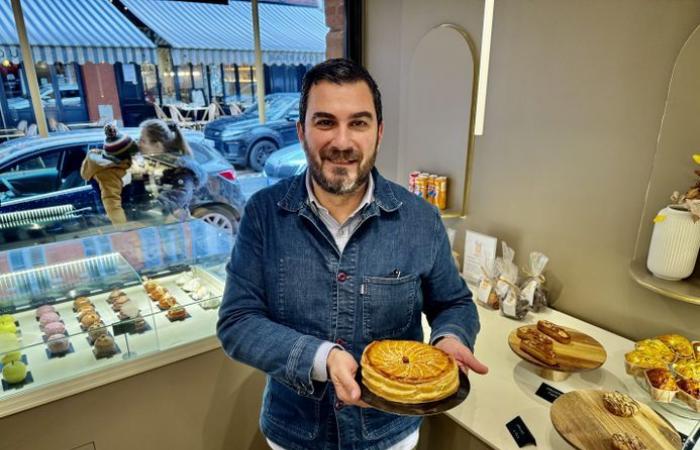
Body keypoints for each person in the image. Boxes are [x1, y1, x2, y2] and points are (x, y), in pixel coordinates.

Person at [217, 58, 487, 450]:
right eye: (325, 122)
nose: (342, 142)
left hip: (390, 435)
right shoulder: (263, 214)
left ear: (378, 133)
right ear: (301, 131)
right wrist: (321, 357)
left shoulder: (421, 219)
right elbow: (238, 322)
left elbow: (454, 302)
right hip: (294, 435)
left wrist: (451, 337)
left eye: (358, 123)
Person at [137, 119, 208, 220]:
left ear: (157, 146)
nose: (138, 144)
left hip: (176, 231)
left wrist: (134, 211)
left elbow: (167, 204)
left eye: (142, 141)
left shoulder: (182, 172)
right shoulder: (152, 167)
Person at [80, 124, 137, 225]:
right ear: (121, 159)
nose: (135, 157)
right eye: (131, 154)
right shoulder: (108, 175)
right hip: (116, 220)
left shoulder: (112, 162)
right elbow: (113, 207)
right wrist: (125, 230)